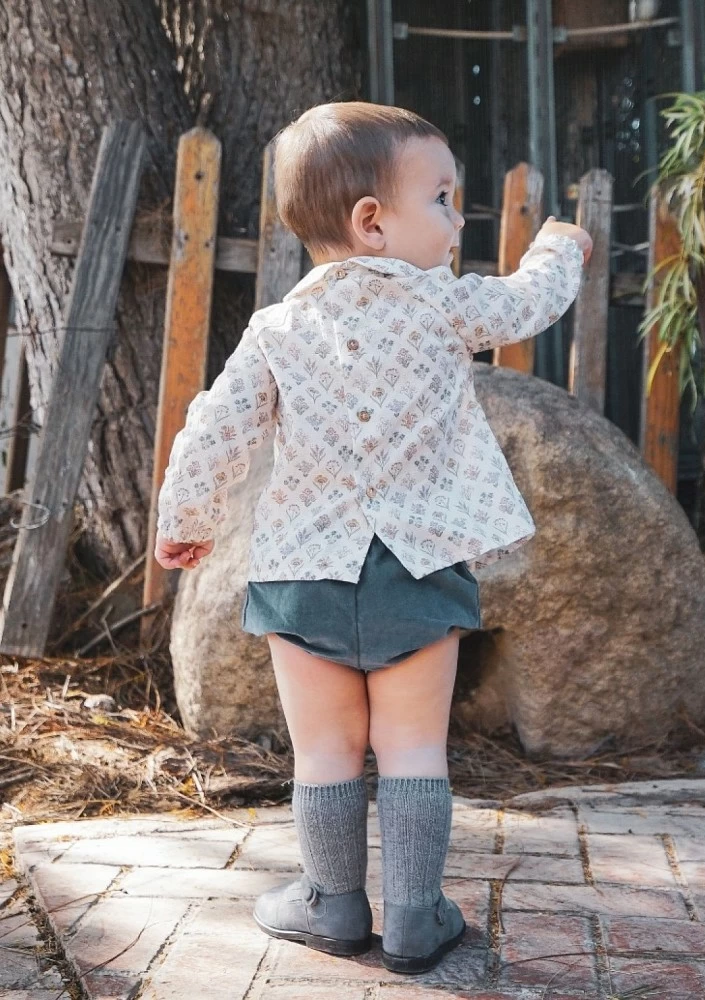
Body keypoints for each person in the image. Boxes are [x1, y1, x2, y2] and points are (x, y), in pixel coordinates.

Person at [155, 101, 592, 974]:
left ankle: (331, 902)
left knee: (324, 749)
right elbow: (527, 302)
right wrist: (561, 247)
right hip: (416, 569)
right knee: (413, 747)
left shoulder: (275, 328)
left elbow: (215, 431)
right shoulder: (441, 305)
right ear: (372, 222)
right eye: (441, 198)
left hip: (302, 572)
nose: (457, 219)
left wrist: (186, 525)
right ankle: (417, 917)